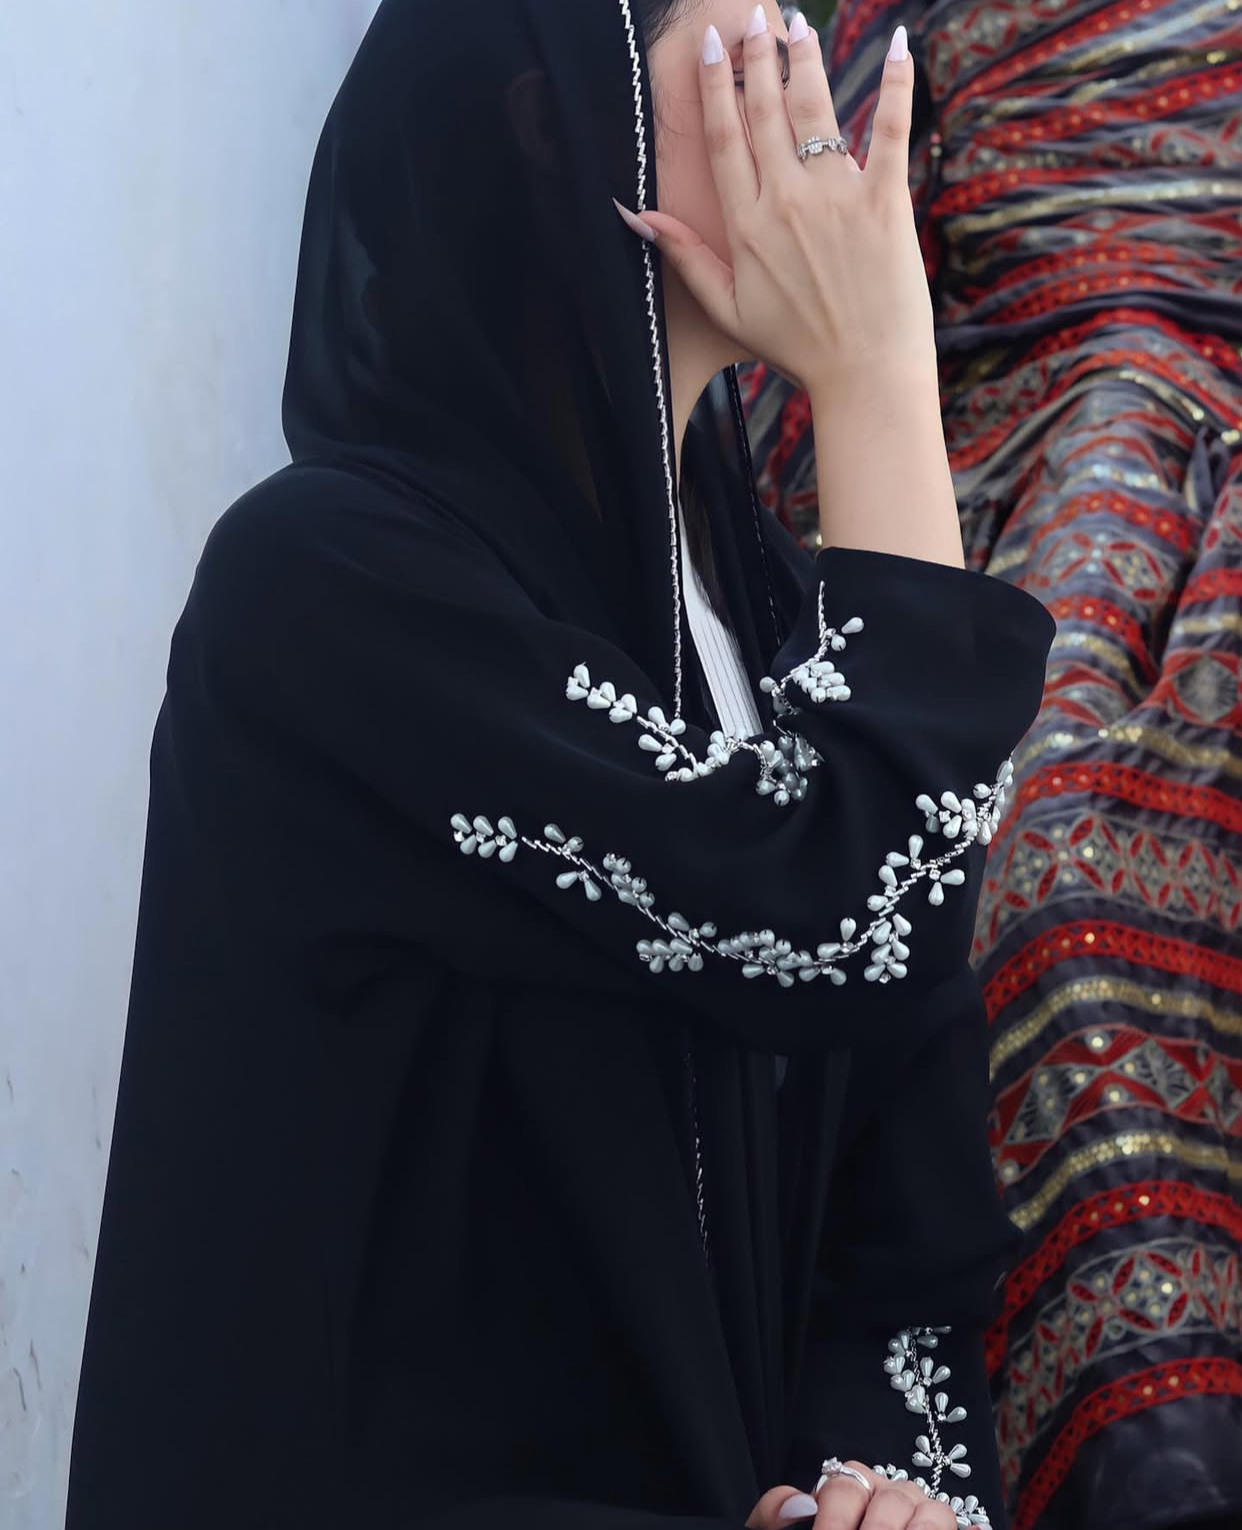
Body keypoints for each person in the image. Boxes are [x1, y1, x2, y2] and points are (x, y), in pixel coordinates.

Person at [65, 3, 1055, 1528]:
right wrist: (875, 378)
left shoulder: (777, 624)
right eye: (748, 57)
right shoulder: (324, 589)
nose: (816, 117)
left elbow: (900, 1222)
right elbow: (838, 916)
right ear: (563, 125)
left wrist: (880, 1496)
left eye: (806, 44)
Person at [742, 2, 1242, 1528]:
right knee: (1034, 867)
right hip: (1005, 443)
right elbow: (807, 274)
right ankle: (1149, 1456)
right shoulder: (903, 28)